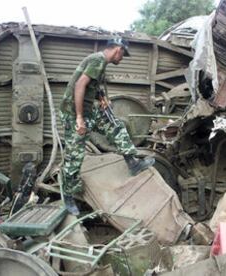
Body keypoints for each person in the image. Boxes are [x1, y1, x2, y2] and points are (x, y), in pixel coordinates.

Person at [59, 37, 155, 215]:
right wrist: (79, 118)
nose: (122, 58)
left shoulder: (101, 63)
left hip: (89, 110)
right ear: (117, 49)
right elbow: (80, 85)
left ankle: (132, 163)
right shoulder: (97, 60)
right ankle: (68, 197)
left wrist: (102, 99)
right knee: (75, 156)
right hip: (74, 114)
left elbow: (93, 86)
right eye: (123, 54)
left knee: (115, 126)